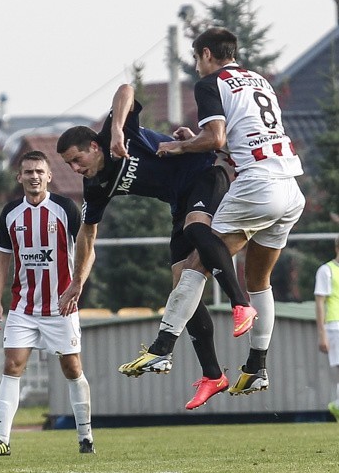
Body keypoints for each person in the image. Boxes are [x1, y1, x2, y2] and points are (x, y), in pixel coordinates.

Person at [122, 27, 305, 401]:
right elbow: (241, 137)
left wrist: (177, 146)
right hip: (290, 185)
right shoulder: (259, 81)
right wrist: (197, 140)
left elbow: (217, 139)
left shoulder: (209, 83)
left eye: (195, 58)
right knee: (259, 280)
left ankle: (162, 347)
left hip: (257, 185)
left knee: (196, 262)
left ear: (206, 54)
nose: (196, 65)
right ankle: (256, 367)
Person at [56, 83, 257, 410]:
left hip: (206, 173)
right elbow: (87, 235)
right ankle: (213, 375)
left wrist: (118, 131)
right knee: (181, 286)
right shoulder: (96, 186)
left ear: (94, 146)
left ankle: (241, 303)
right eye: (70, 166)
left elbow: (126, 89)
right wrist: (77, 281)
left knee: (196, 228)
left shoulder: (112, 137)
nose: (76, 169)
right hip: (179, 202)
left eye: (77, 160)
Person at [0, 151, 95, 457]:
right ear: (20, 178)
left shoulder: (65, 208)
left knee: (71, 368)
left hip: (61, 306)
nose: (34, 176)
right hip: (23, 307)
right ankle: (2, 438)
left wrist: (77, 285)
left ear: (48, 176)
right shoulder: (10, 213)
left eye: (39, 172)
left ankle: (85, 437)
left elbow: (88, 249)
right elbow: (3, 259)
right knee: (12, 365)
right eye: (28, 172)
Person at [314, 235, 339, 421]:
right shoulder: (326, 270)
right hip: (335, 325)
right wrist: (321, 333)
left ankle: (337, 405)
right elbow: (320, 303)